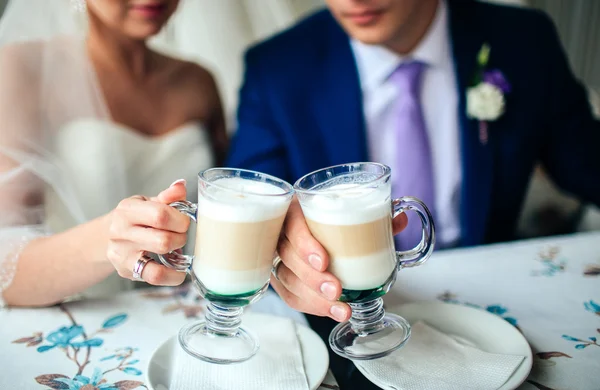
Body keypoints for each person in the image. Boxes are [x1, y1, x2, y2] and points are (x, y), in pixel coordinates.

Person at [226, 0, 600, 381]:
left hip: (496, 310)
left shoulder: (523, 39)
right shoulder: (276, 67)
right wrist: (284, 243)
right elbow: (253, 196)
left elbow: (587, 163)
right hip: (349, 321)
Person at [0, 0, 228, 308]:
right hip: (83, 317)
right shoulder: (22, 68)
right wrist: (109, 239)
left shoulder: (199, 82)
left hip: (184, 314)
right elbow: (6, 266)